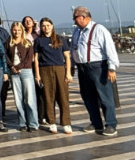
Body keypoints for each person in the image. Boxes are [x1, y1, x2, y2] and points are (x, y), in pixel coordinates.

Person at [72, 7, 119, 136]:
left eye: (75, 18)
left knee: (105, 96)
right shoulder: (77, 31)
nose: (74, 21)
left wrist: (111, 68)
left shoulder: (99, 30)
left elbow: (110, 49)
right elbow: (74, 49)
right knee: (88, 97)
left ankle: (111, 124)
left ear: (84, 17)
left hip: (97, 67)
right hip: (82, 68)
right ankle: (96, 122)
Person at [34, 17, 73, 134]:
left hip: (60, 68)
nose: (46, 27)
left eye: (48, 25)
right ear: (41, 27)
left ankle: (66, 123)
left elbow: (67, 57)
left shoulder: (60, 39)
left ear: (52, 26)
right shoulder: (39, 41)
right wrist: (37, 75)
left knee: (63, 96)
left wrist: (68, 72)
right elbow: (36, 59)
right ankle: (52, 122)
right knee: (48, 96)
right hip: (44, 69)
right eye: (43, 26)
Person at [6, 21, 39, 132]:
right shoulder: (8, 43)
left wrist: (19, 67)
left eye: (19, 30)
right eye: (15, 30)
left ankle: (33, 123)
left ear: (22, 31)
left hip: (26, 71)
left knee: (29, 98)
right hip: (13, 72)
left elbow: (29, 59)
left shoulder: (27, 43)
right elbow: (5, 56)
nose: (17, 32)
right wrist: (11, 67)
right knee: (18, 99)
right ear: (12, 30)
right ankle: (23, 123)